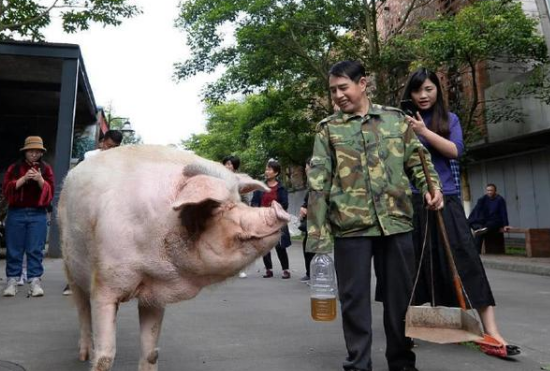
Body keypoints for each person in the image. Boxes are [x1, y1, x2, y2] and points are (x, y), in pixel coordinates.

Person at [306, 60, 444, 371]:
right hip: (350, 228)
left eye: (343, 87)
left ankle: (402, 362)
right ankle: (358, 363)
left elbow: (418, 162)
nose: (338, 95)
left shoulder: (396, 121)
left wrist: (431, 187)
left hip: (396, 222)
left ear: (363, 84)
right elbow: (318, 184)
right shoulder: (328, 130)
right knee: (354, 301)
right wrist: (317, 236)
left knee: (399, 301)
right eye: (332, 91)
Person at [402, 68, 519, 357]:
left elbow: (455, 150)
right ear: (410, 94)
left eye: (429, 89)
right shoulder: (400, 123)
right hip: (415, 201)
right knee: (413, 265)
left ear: (437, 90)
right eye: (417, 91)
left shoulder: (448, 119)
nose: (423, 95)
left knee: (467, 260)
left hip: (449, 199)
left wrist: (424, 132)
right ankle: (405, 328)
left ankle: (491, 332)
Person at [62, 129, 123, 296]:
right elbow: (74, 178)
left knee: (104, 246)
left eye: (114, 148)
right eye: (108, 146)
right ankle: (73, 283)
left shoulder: (120, 161)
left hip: (107, 209)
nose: (110, 150)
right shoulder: (89, 156)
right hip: (85, 207)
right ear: (102, 142)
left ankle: (102, 283)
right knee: (80, 244)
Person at [2, 136, 55, 297]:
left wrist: (40, 180)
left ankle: (34, 280)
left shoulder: (46, 169)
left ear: (41, 153)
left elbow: (50, 193)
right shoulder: (15, 168)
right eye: (31, 151)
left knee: (35, 249)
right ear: (25, 152)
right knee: (14, 249)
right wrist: (24, 179)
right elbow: (7, 190)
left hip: (38, 213)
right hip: (16, 212)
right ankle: (12, 280)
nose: (34, 154)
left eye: (37, 151)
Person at [251, 159, 292, 279]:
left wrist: (275, 206)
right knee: (265, 246)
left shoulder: (281, 188)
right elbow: (254, 202)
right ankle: (269, 269)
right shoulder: (260, 188)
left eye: (269, 169)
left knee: (280, 246)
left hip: (277, 220)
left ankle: (286, 269)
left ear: (276, 173)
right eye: (266, 169)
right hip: (263, 220)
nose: (266, 171)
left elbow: (285, 204)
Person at [222, 155, 249, 278]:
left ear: (235, 166)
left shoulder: (239, 179)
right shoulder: (219, 179)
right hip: (223, 215)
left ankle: (240, 269)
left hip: (237, 214)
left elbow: (245, 197)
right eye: (226, 164)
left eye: (230, 164)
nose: (227, 166)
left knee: (239, 242)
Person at [468, 183, 511, 253]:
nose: (489, 192)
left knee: (483, 229)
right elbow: (477, 210)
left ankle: (476, 250)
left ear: (495, 191)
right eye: (488, 190)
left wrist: (506, 224)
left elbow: (503, 212)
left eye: (491, 190)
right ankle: (476, 250)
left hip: (495, 221)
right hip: (485, 221)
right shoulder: (483, 199)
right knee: (476, 227)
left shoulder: (500, 200)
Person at [298, 157, 315, 282]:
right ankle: (309, 273)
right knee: (307, 247)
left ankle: (315, 274)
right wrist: (303, 208)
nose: (305, 169)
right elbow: (306, 201)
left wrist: (310, 210)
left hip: (317, 222)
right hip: (309, 222)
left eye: (306, 166)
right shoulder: (311, 184)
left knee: (314, 249)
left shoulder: (320, 183)